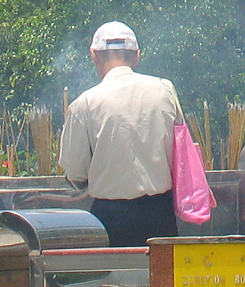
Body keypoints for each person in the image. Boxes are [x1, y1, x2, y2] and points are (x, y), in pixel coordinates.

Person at [58, 21, 184, 247]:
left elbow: (75, 172)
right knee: (160, 271)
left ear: (94, 55)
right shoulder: (164, 90)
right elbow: (181, 150)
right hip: (160, 215)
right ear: (136, 56)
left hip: (110, 219)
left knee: (115, 271)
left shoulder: (84, 104)